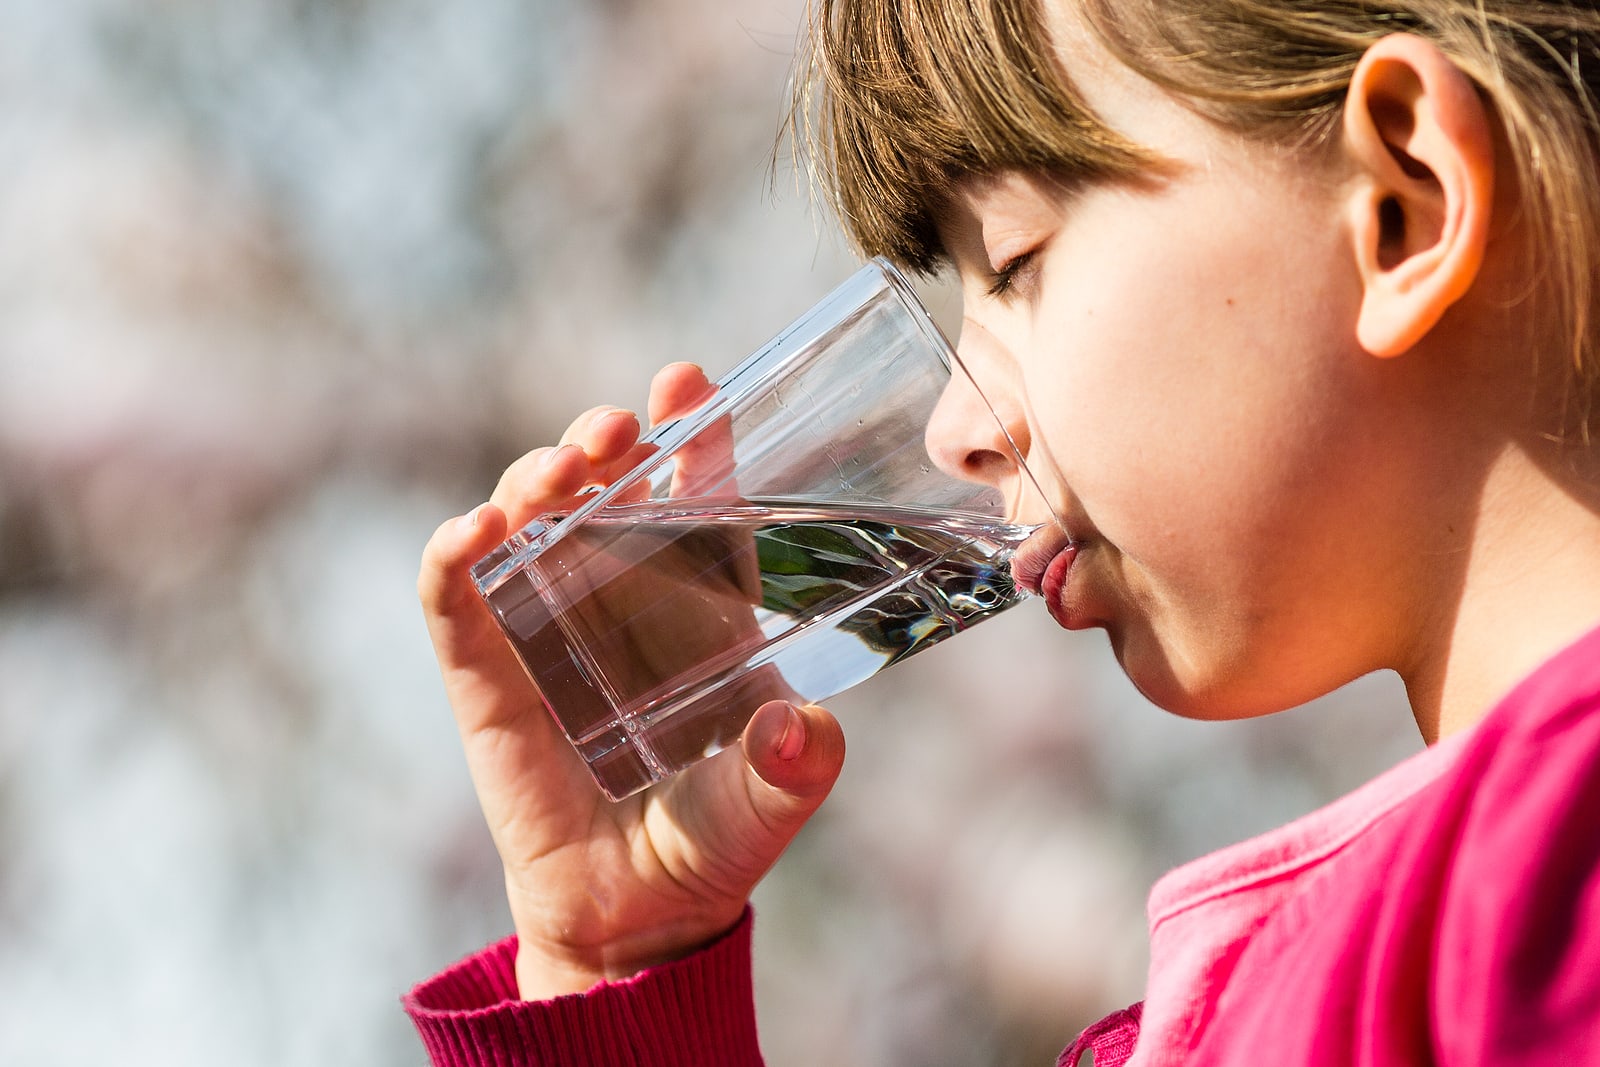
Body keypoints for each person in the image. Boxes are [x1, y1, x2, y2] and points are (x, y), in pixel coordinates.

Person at [408, 0, 1600, 1063]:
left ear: (1404, 199)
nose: (953, 430)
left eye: (1016, 260)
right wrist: (623, 971)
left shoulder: (1529, 907)